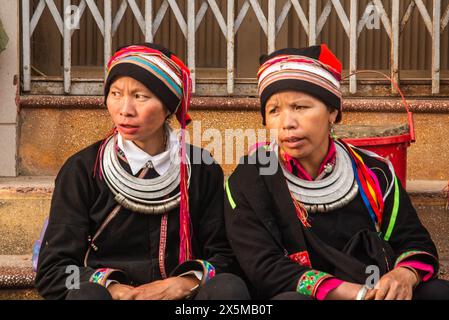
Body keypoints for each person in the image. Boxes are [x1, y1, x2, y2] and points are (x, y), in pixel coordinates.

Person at [224, 44, 449, 300]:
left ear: (333, 111)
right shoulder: (250, 180)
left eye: (300, 107)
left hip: (376, 291)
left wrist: (404, 275)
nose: (286, 123)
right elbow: (264, 266)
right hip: (303, 295)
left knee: (437, 293)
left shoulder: (375, 172)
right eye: (274, 111)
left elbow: (414, 241)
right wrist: (359, 294)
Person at [35, 43, 249, 300]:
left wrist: (184, 283)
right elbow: (54, 270)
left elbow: (226, 257)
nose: (125, 109)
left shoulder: (201, 170)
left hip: (183, 300)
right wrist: (111, 288)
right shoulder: (82, 171)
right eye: (115, 93)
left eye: (140, 96)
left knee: (229, 289)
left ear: (168, 106)